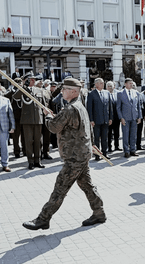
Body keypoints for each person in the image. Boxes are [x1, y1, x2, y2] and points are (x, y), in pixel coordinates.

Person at [23, 78, 106, 230]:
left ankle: (43, 219)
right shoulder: (79, 105)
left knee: (60, 188)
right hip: (81, 154)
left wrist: (47, 115)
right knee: (87, 185)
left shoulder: (70, 109)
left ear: (73, 91)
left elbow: (54, 127)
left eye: (65, 89)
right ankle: (99, 213)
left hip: (75, 157)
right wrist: (92, 144)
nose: (62, 91)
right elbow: (87, 128)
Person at [13, 73, 47, 170]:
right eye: (30, 79)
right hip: (27, 119)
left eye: (34, 79)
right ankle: (30, 161)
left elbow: (43, 104)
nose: (33, 81)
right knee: (28, 141)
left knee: (38, 141)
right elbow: (15, 97)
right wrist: (23, 86)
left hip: (38, 119)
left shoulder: (39, 90)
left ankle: (38, 160)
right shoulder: (23, 90)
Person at [86, 78, 112, 161]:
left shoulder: (107, 93)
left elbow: (110, 106)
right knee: (96, 138)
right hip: (96, 120)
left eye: (103, 83)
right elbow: (89, 108)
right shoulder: (91, 94)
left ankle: (105, 153)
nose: (102, 84)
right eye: (101, 83)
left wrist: (110, 118)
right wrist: (91, 120)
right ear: (96, 84)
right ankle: (97, 155)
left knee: (105, 138)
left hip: (105, 119)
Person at [116, 78, 143, 158]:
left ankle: (133, 150)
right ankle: (126, 151)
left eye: (132, 83)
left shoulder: (135, 92)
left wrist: (139, 116)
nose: (131, 85)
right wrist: (121, 118)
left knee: (133, 135)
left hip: (134, 117)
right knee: (125, 135)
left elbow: (138, 106)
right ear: (125, 84)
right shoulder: (120, 93)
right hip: (125, 117)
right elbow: (118, 107)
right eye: (129, 83)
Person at [106, 81, 120, 152]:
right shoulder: (105, 94)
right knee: (109, 133)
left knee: (117, 133)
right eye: (108, 86)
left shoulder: (117, 94)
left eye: (111, 86)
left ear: (114, 87)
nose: (110, 87)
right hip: (109, 118)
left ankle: (117, 146)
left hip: (117, 117)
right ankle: (109, 147)